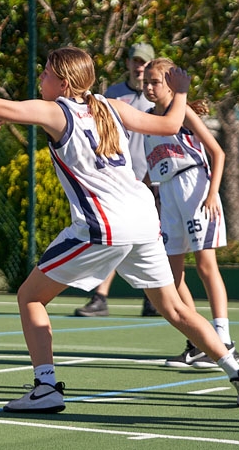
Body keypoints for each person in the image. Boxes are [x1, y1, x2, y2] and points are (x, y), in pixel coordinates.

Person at [0, 23, 239, 413]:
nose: (41, 77)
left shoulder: (56, 112)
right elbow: (172, 124)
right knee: (174, 307)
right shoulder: (111, 105)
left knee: (29, 297)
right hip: (143, 219)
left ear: (65, 82)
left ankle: (46, 387)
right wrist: (181, 90)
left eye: (47, 72)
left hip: (104, 225)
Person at [139, 58, 238, 369]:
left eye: (155, 82)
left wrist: (211, 193)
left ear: (171, 85)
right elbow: (149, 170)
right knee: (172, 272)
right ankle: (198, 339)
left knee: (206, 265)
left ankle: (223, 338)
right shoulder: (146, 120)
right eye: (146, 82)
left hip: (194, 188)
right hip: (167, 194)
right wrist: (145, 198)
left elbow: (218, 152)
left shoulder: (182, 113)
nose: (149, 87)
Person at [74, 42, 159, 318]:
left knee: (152, 238)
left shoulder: (156, 97)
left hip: (154, 179)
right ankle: (101, 297)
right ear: (128, 63)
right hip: (119, 180)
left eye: (145, 62)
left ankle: (153, 299)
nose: (139, 67)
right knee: (114, 239)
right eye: (135, 61)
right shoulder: (112, 96)